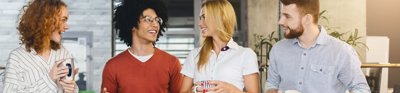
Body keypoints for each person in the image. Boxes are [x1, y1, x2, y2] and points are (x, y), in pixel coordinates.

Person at [265, 0, 370, 93]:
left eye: (287, 16)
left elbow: (361, 88)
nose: (280, 21)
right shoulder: (278, 49)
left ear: (307, 19)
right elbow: (271, 84)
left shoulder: (341, 52)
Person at [101, 0, 182, 93]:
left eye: (157, 20)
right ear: (132, 25)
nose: (155, 24)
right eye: (148, 19)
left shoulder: (172, 63)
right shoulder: (112, 66)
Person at [180, 0, 259, 93]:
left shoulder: (246, 55)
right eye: (200, 18)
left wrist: (231, 90)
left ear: (220, 18)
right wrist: (195, 90)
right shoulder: (194, 55)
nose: (200, 23)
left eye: (204, 17)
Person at [3, 0, 79, 93]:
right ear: (45, 21)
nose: (66, 26)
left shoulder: (63, 53)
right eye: (63, 20)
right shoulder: (17, 58)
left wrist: (71, 89)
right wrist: (49, 79)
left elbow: (70, 89)